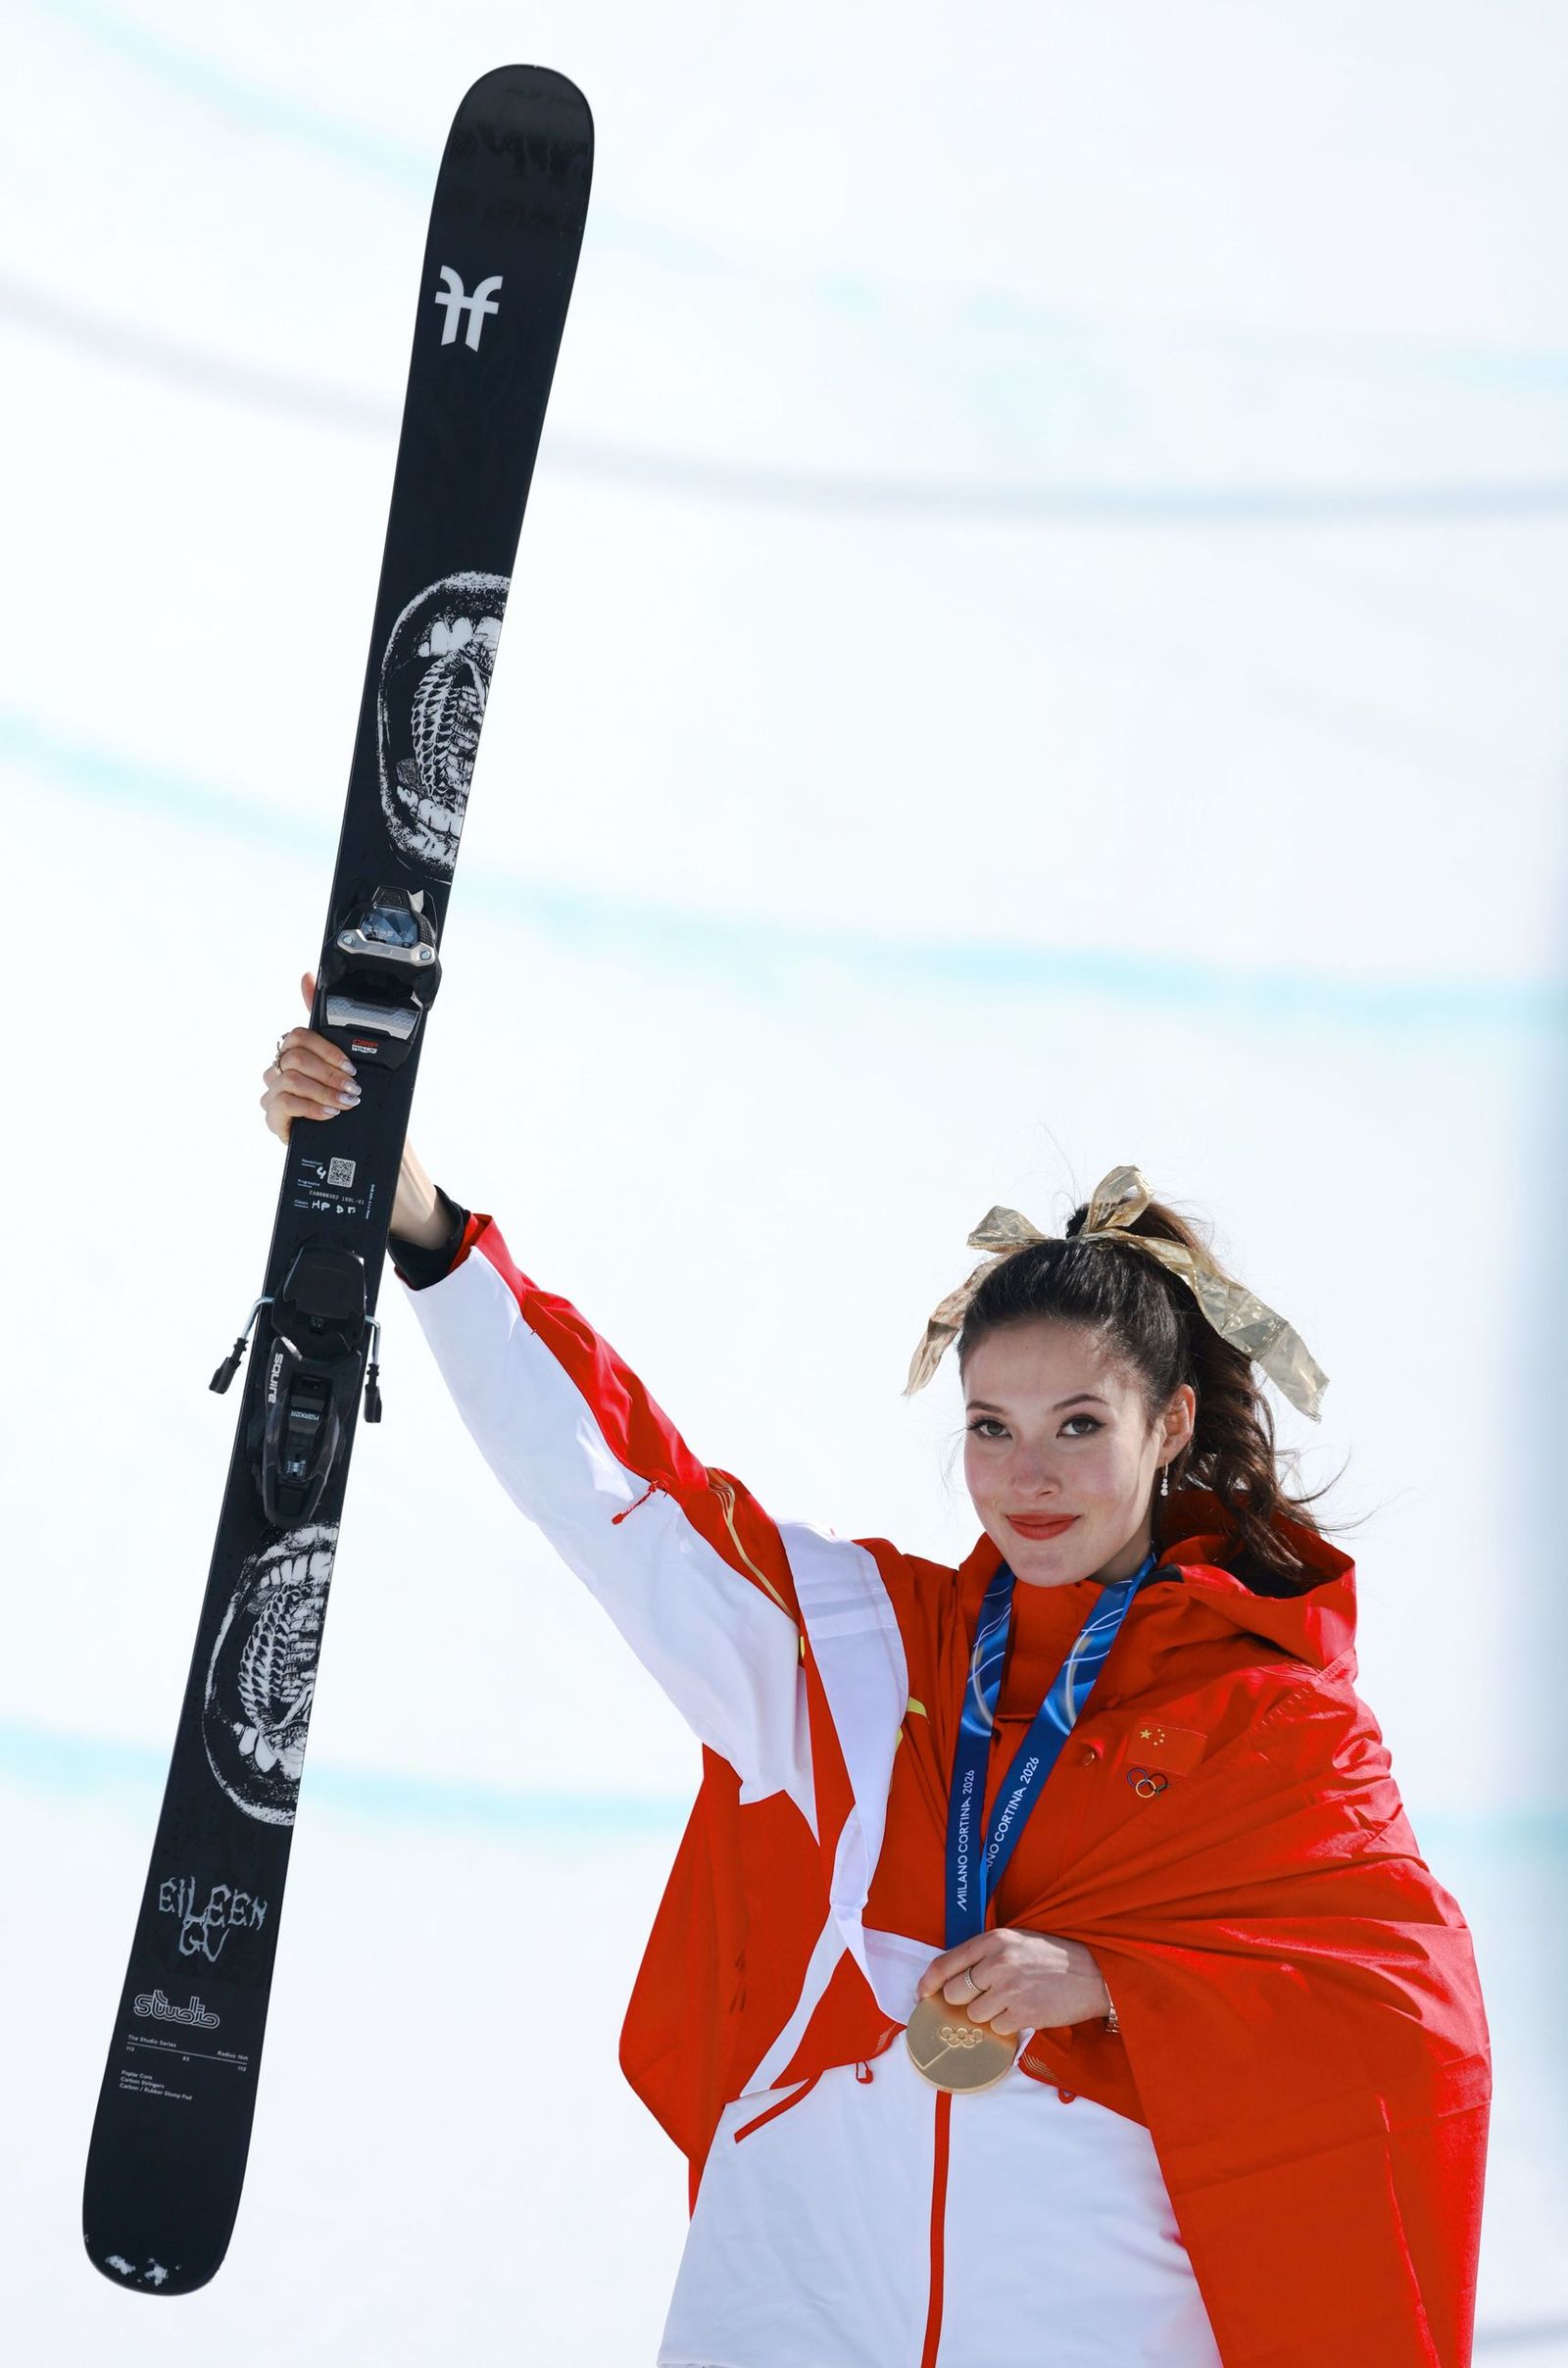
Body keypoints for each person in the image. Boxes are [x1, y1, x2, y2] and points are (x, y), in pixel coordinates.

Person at [263, 978, 1492, 2368]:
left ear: (1171, 1426)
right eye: (990, 1426)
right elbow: (628, 1501)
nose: (1027, 1477)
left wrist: (1114, 1982)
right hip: (800, 2288)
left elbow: (1402, 2016)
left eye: (1079, 1425)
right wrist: (428, 1234)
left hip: (1095, 2310)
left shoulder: (1271, 1718)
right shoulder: (870, 1649)